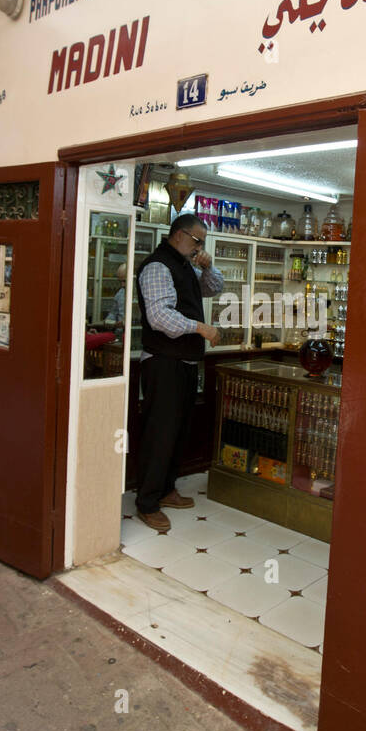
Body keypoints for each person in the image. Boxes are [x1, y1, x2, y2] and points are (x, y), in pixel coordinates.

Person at [135, 213, 223, 531]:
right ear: (179, 235)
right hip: (163, 362)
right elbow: (160, 316)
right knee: (159, 434)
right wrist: (200, 328)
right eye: (198, 240)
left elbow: (214, 288)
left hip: (183, 362)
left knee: (178, 431)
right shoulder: (159, 265)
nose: (201, 247)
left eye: (203, 242)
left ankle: (166, 489)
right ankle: (146, 501)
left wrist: (208, 266)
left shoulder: (186, 264)